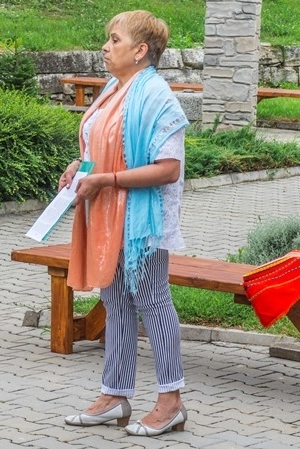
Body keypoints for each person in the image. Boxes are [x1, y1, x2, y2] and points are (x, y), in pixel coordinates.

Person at [59, 10, 190, 437]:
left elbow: (168, 168)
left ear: (140, 50)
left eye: (114, 39)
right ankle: (114, 396)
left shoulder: (156, 96)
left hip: (141, 223)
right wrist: (80, 166)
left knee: (153, 300)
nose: (105, 46)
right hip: (108, 215)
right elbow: (103, 147)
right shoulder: (114, 90)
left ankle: (171, 402)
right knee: (115, 300)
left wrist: (106, 180)